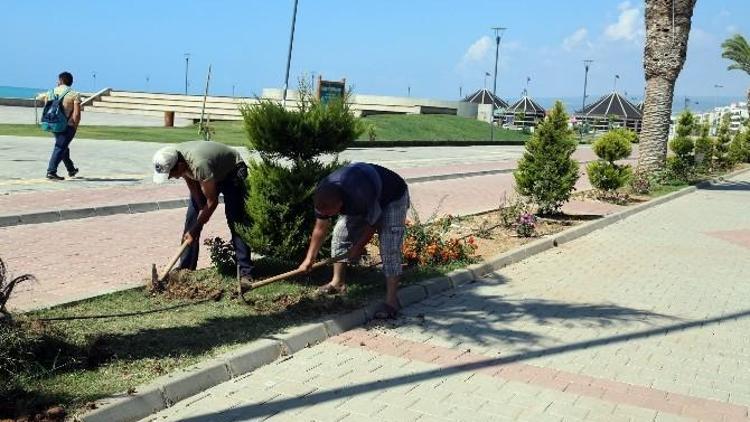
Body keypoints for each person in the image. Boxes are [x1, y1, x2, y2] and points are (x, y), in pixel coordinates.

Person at [299, 162, 409, 319]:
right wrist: (309, 259)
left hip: (392, 196)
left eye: (331, 212)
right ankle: (337, 282)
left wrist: (358, 247)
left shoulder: (359, 193)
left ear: (340, 204)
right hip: (365, 192)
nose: (327, 215)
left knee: (389, 247)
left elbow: (374, 222)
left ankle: (392, 302)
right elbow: (320, 228)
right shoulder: (323, 195)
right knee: (339, 235)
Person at [152, 141, 253, 284]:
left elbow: (212, 202)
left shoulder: (199, 164)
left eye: (171, 174)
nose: (172, 177)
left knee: (236, 219)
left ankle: (245, 273)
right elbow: (193, 187)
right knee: (191, 219)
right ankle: (185, 271)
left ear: (180, 166)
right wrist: (199, 213)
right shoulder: (176, 157)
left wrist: (197, 228)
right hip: (211, 173)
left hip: (232, 172)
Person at [38, 71, 82, 180]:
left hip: (53, 123)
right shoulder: (74, 94)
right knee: (60, 147)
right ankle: (51, 171)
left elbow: (45, 105)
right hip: (67, 125)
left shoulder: (51, 92)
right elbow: (76, 114)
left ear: (61, 80)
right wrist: (75, 126)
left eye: (58, 80)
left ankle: (71, 169)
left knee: (62, 146)